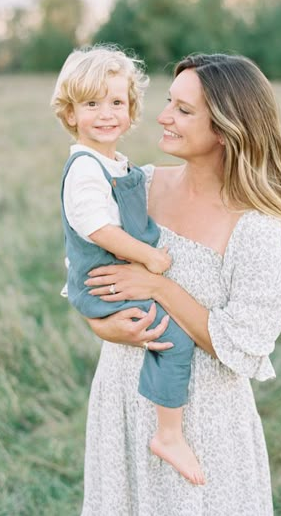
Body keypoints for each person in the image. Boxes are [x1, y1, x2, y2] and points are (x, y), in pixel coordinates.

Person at [79, 53, 281, 515]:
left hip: (202, 421)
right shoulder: (138, 186)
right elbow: (93, 276)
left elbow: (243, 344)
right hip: (121, 400)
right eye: (170, 102)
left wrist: (160, 287)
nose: (163, 116)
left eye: (184, 111)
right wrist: (102, 328)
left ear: (228, 128)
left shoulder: (259, 228)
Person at [50, 45, 205, 485]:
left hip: (119, 276)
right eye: (92, 104)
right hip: (107, 283)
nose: (106, 114)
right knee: (173, 339)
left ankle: (160, 421)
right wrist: (149, 256)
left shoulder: (114, 162)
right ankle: (168, 434)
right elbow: (97, 228)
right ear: (71, 113)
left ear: (131, 108)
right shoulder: (84, 167)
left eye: (117, 102)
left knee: (165, 329)